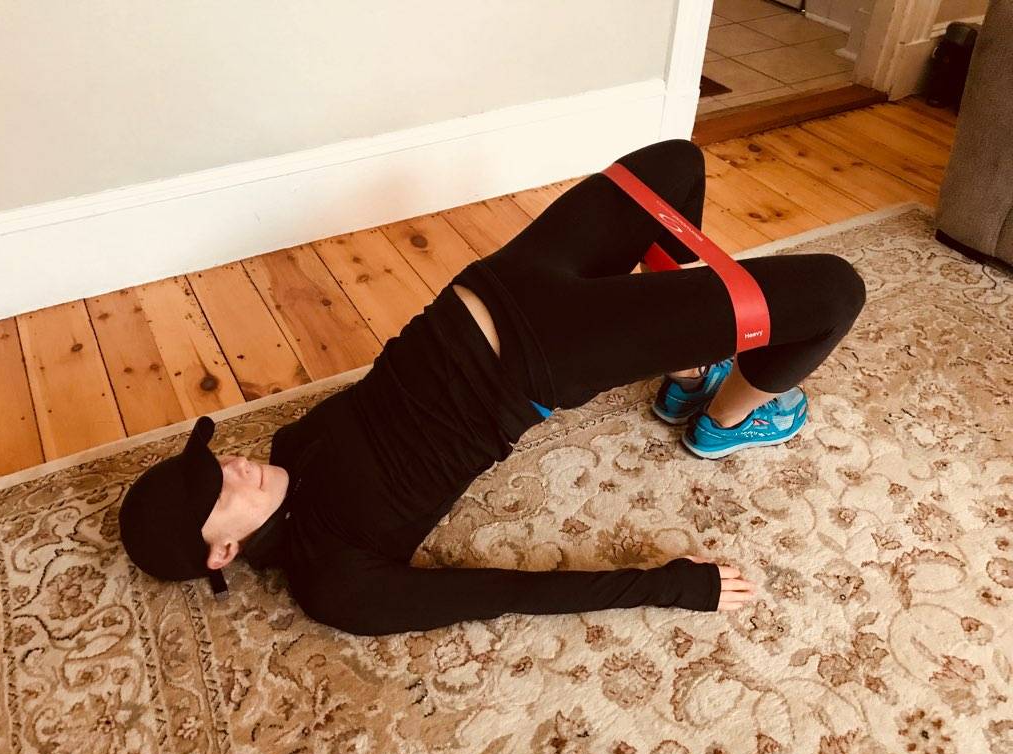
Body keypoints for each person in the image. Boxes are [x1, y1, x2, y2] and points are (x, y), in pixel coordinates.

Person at [118, 139, 866, 636]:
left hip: (499, 283)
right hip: (547, 357)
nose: (231, 466)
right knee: (835, 293)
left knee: (673, 165)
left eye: (211, 463)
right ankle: (725, 421)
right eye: (216, 490)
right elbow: (508, 592)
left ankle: (686, 378)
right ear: (222, 553)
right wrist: (676, 587)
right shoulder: (336, 581)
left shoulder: (290, 445)